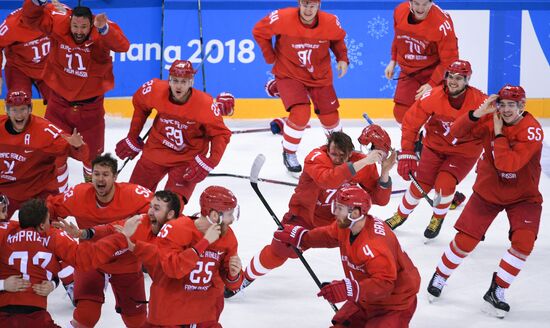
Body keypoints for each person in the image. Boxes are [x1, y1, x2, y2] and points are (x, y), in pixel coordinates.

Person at [228, 129, 396, 297]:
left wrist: (385, 173)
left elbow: (380, 200)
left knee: (363, 249)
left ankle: (368, 291)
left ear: (350, 154)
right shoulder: (316, 157)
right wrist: (366, 161)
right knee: (282, 248)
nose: (336, 159)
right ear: (327, 148)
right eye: (333, 154)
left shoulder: (361, 163)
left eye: (342, 156)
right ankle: (245, 278)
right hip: (305, 216)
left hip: (337, 223)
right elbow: (329, 180)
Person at [426, 85, 543, 318]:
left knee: (524, 242)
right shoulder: (489, 120)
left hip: (523, 197)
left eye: (513, 104)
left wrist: (498, 134)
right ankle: (441, 274)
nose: (507, 109)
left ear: (522, 106)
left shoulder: (532, 130)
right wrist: (478, 113)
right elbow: (455, 133)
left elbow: (507, 164)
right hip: (488, 192)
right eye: (503, 104)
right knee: (465, 241)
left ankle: (497, 289)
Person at [275, 185, 420, 326]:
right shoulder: (348, 225)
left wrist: (350, 289)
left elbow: (385, 284)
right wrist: (303, 237)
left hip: (393, 305)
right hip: (365, 299)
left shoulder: (375, 246)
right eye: (336, 207)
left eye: (340, 209)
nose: (335, 212)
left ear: (355, 212)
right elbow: (328, 235)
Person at [22, 0, 130, 181]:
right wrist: (36, 2)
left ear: (91, 24)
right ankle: (58, 197)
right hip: (58, 105)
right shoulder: (58, 22)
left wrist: (104, 29)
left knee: (92, 159)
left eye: (84, 27)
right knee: (55, 155)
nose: (79, 31)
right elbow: (30, 18)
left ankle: (89, 196)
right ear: (70, 21)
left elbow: (123, 46)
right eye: (75, 26)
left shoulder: (102, 28)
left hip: (90, 110)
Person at [46, 153, 152, 328]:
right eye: (96, 174)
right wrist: (41, 229)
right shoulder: (78, 194)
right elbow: (50, 208)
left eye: (105, 174)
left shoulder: (134, 194)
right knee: (85, 316)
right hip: (91, 261)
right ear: (91, 175)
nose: (100, 179)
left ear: (115, 177)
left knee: (137, 321)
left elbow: (157, 215)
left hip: (126, 264)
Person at [385, 60, 487, 240]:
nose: (453, 81)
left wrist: (490, 157)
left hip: (464, 152)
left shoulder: (480, 101)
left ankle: (437, 218)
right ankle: (400, 215)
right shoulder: (433, 96)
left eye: (458, 78)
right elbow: (410, 123)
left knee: (445, 183)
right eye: (450, 76)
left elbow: (491, 130)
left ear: (467, 79)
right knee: (420, 184)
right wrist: (407, 152)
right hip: (434, 147)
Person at [0, 198, 140, 328]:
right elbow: (86, 257)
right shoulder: (52, 236)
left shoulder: (5, 231)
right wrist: (120, 238)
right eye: (49, 220)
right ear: (42, 225)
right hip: (35, 317)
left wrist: (3, 284)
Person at [115, 60, 233, 206]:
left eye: (184, 81)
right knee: (132, 201)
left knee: (171, 208)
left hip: (186, 159)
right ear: (169, 80)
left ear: (191, 82)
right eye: (175, 80)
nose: (178, 85)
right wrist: (132, 136)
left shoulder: (205, 104)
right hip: (156, 151)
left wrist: (211, 161)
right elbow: (140, 103)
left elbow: (221, 134)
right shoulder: (155, 89)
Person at [124, 186, 244, 327]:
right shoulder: (176, 228)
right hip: (170, 314)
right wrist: (204, 242)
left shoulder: (227, 236)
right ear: (214, 216)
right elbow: (173, 269)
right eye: (229, 214)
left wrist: (234, 274)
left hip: (204, 314)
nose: (232, 219)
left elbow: (233, 284)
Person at [253, 0, 349, 175]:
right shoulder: (281, 17)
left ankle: (340, 151)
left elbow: (337, 40)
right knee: (300, 113)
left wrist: (342, 58)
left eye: (312, 5)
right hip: (289, 73)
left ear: (319, 5)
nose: (308, 9)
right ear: (299, 3)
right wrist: (269, 56)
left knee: (330, 117)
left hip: (319, 75)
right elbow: (259, 30)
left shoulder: (330, 21)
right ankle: (289, 153)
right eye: (305, 4)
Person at [0, 90, 89, 219]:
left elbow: (79, 154)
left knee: (46, 232)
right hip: (6, 190)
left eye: (23, 109)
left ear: (30, 109)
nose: (19, 115)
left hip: (38, 190)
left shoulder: (44, 131)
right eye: (14, 110)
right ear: (7, 110)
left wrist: (78, 146)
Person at [385, 0, 459, 124]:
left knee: (435, 115)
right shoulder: (399, 11)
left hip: (433, 71)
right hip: (409, 71)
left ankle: (429, 138)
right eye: (417, 4)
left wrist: (432, 83)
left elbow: (450, 60)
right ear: (410, 2)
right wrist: (393, 60)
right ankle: (414, 140)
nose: (420, 8)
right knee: (400, 113)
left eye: (425, 4)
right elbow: (398, 37)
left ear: (431, 3)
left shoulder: (442, 24)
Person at [0, 3, 67, 99]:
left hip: (49, 67)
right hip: (19, 68)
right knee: (17, 102)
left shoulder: (56, 12)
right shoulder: (11, 25)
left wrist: (68, 16)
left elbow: (79, 27)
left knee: (59, 102)